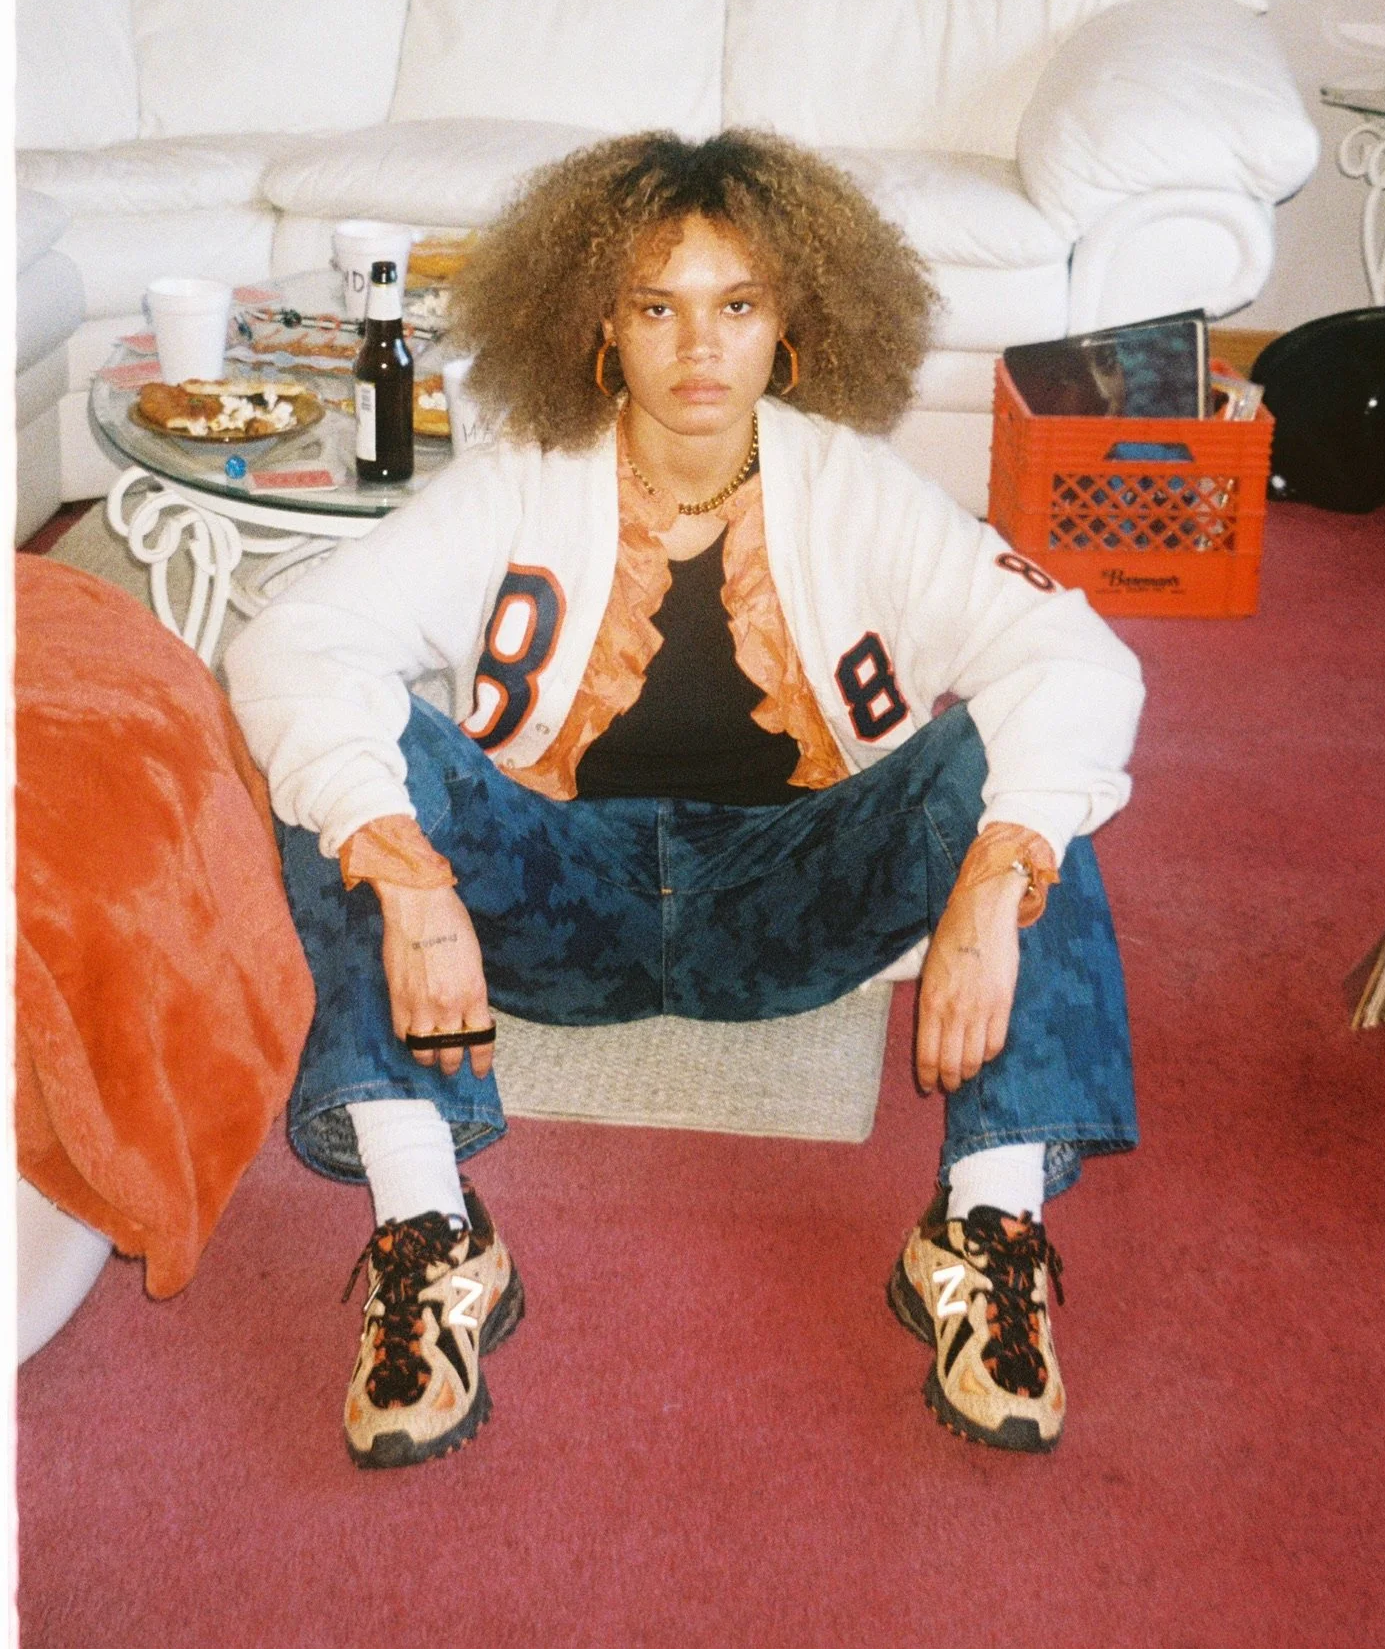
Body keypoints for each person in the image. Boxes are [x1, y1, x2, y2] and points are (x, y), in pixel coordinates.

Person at [226, 130, 1144, 1470]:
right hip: (552, 897)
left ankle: (981, 1226)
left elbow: (1077, 658)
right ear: (601, 321)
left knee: (1030, 776)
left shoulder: (860, 490)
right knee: (347, 765)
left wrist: (1001, 871)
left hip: (794, 895)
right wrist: (412, 878)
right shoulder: (517, 481)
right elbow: (289, 644)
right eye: (658, 305)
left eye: (737, 305)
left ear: (791, 324)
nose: (698, 347)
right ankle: (430, 1234)